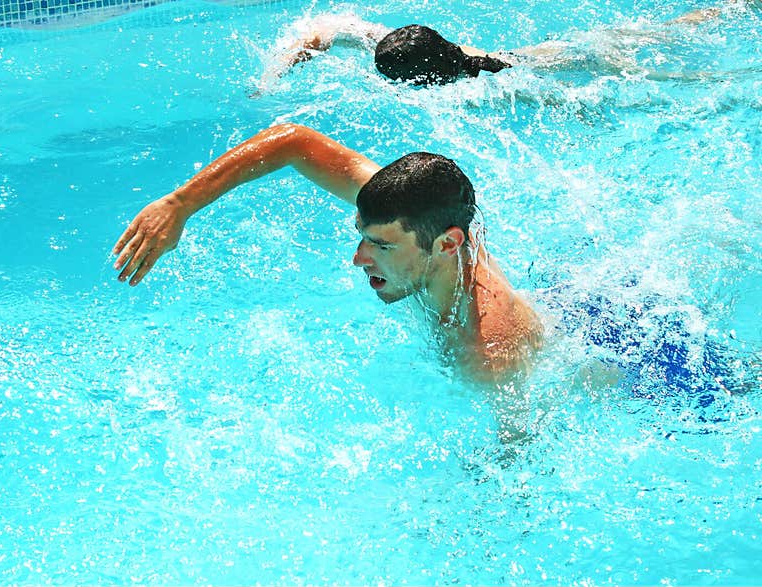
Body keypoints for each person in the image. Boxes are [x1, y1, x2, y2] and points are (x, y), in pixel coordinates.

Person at [111, 122, 543, 384]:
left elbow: (520, 453)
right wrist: (180, 203)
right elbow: (294, 142)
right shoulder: (418, 214)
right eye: (363, 236)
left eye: (382, 245)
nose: (359, 258)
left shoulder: (491, 356)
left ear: (448, 244)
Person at [259, 2, 748, 88]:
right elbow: (324, 28)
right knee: (654, 33)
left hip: (546, 61)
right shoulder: (392, 45)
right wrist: (273, 78)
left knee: (649, 56)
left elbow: (561, 92)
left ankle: (733, 11)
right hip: (529, 50)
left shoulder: (492, 79)